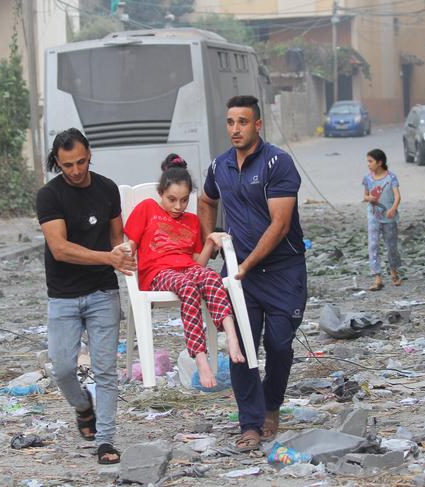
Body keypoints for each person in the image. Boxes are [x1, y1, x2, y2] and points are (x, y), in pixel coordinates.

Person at [198, 95, 307, 452]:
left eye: (242, 122)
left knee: (278, 343)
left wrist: (246, 265)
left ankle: (271, 405)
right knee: (241, 348)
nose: (235, 129)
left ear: (257, 125)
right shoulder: (220, 166)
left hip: (281, 271)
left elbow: (281, 223)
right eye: (230, 122)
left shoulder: (278, 163)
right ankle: (250, 424)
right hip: (239, 274)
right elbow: (206, 200)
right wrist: (210, 238)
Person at [36, 128, 135, 465]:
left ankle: (106, 441)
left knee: (106, 370)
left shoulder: (107, 189)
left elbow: (116, 238)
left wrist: (124, 254)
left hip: (103, 293)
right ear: (57, 163)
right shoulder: (49, 196)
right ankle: (82, 407)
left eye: (80, 162)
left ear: (89, 154)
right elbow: (60, 249)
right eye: (67, 165)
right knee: (63, 369)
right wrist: (109, 257)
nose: (76, 171)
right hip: (63, 296)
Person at [123, 154, 246, 388]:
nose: (178, 207)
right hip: (158, 273)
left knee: (211, 277)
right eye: (171, 200)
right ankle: (200, 358)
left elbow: (198, 264)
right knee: (187, 287)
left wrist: (209, 241)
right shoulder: (147, 208)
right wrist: (125, 248)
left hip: (187, 269)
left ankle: (231, 336)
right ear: (160, 193)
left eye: (183, 200)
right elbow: (131, 243)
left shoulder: (191, 220)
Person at [362, 148, 402, 290]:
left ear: (380, 162)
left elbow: (397, 196)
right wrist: (369, 198)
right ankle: (377, 277)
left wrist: (392, 209)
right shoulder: (367, 178)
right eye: (368, 161)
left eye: (370, 161)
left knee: (391, 246)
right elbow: (365, 196)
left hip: (389, 217)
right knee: (373, 245)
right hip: (373, 216)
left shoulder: (391, 178)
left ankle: (394, 272)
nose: (368, 164)